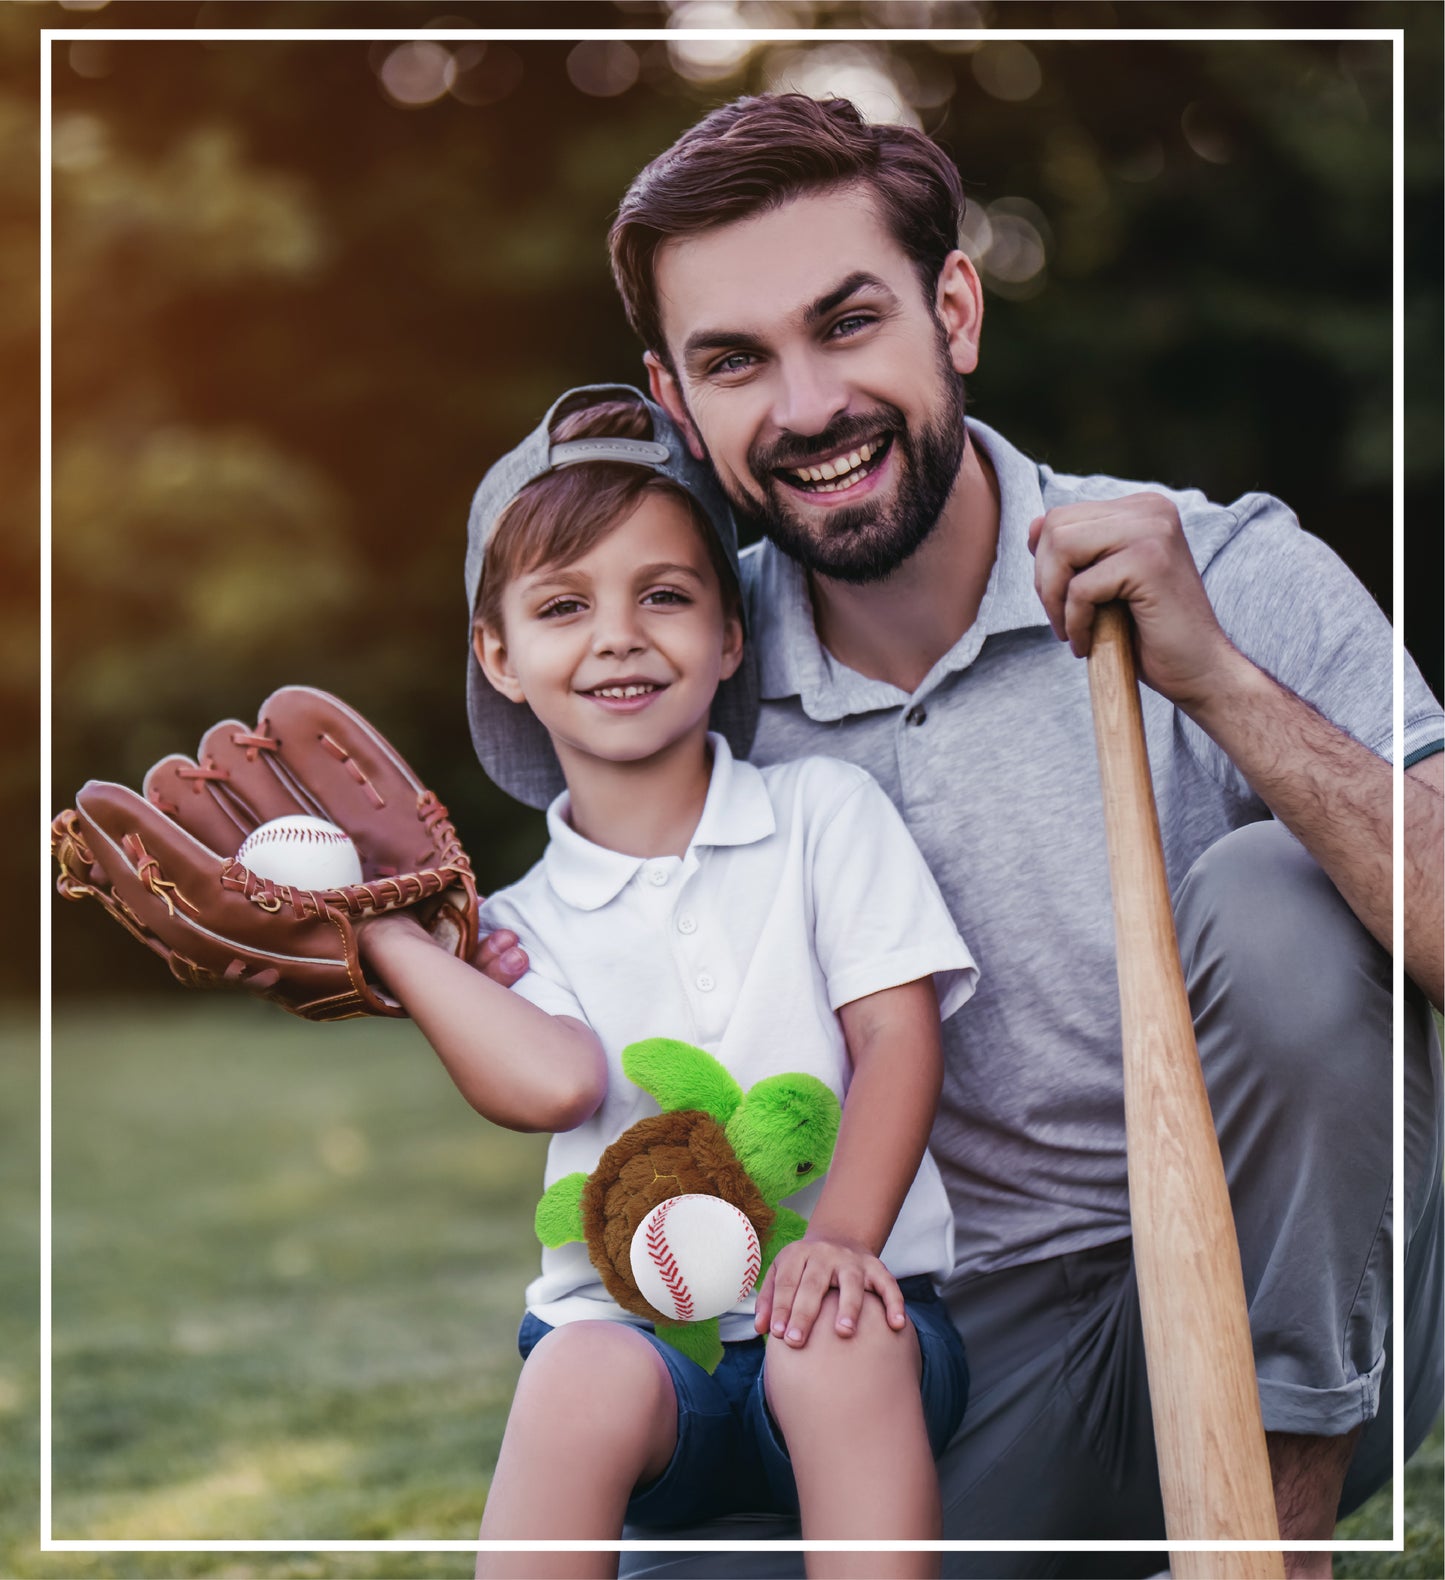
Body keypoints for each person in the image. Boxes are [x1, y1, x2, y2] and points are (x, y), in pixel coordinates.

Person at [476, 94, 1443, 1579]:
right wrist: (374, 944)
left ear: (954, 307)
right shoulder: (683, 662)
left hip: (1287, 1300)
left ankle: (1264, 1555)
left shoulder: (1224, 565)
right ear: (676, 402)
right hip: (925, 1347)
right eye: (737, 362)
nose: (804, 408)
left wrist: (1220, 682)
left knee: (1276, 899)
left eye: (846, 323)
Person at [363, 384, 977, 1580]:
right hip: (645, 1352)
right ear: (498, 653)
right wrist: (393, 940)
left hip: (861, 1313)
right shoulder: (515, 926)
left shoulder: (820, 815)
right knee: (576, 1369)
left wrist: (841, 1236)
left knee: (832, 1336)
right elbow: (551, 1083)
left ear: (729, 632)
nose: (617, 635)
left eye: (664, 594)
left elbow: (898, 1040)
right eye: (559, 605)